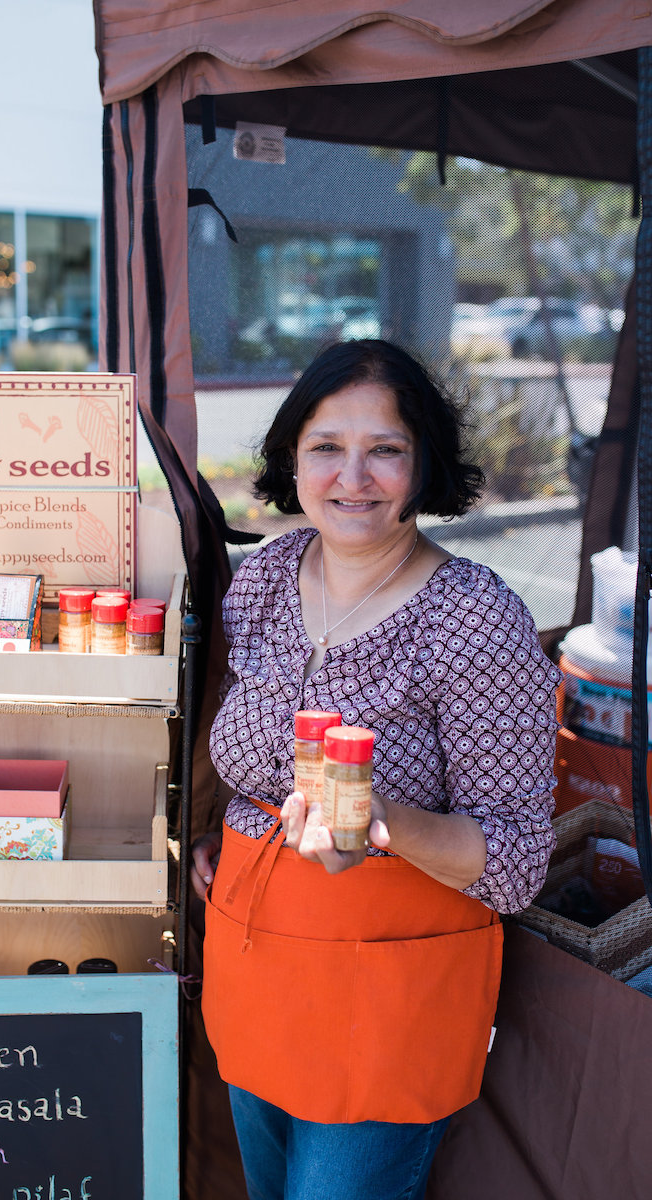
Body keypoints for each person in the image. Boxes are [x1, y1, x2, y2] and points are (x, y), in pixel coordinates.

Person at [191, 339, 561, 1200]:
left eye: (385, 449)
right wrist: (230, 829)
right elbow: (252, 753)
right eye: (326, 447)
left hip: (387, 997)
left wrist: (380, 819)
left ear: (423, 462)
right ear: (292, 458)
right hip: (258, 962)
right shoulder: (266, 579)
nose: (351, 476)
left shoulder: (474, 617)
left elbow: (514, 862)